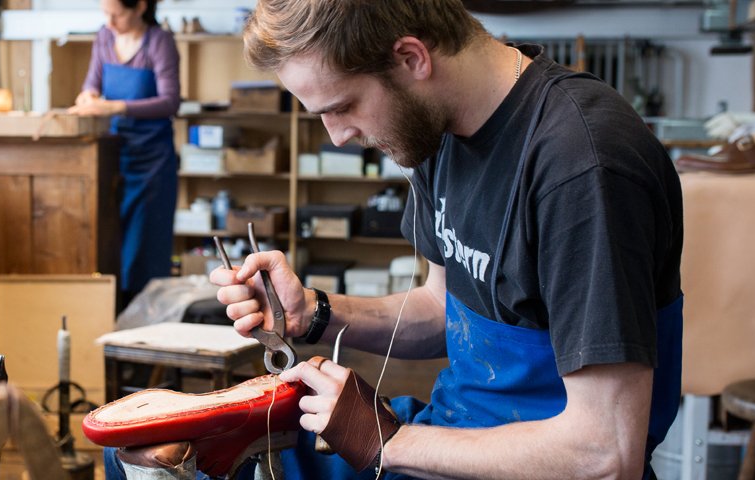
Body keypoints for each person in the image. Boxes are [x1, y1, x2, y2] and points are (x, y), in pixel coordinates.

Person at [204, 0, 684, 478]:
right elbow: (442, 309)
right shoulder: (438, 127)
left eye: (344, 106)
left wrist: (388, 441)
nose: (337, 137)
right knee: (188, 452)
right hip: (449, 437)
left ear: (412, 58)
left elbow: (604, 454)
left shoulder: (582, 166)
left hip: (531, 464)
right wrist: (313, 312)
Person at [68, 0, 181, 305]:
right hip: (113, 157)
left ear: (140, 6)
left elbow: (170, 101)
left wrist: (115, 106)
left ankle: (144, 321)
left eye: (116, 14)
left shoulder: (159, 41)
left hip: (152, 162)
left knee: (145, 246)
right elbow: (91, 84)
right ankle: (113, 316)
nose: (109, 22)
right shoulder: (104, 37)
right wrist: (89, 94)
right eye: (105, 13)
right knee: (111, 243)